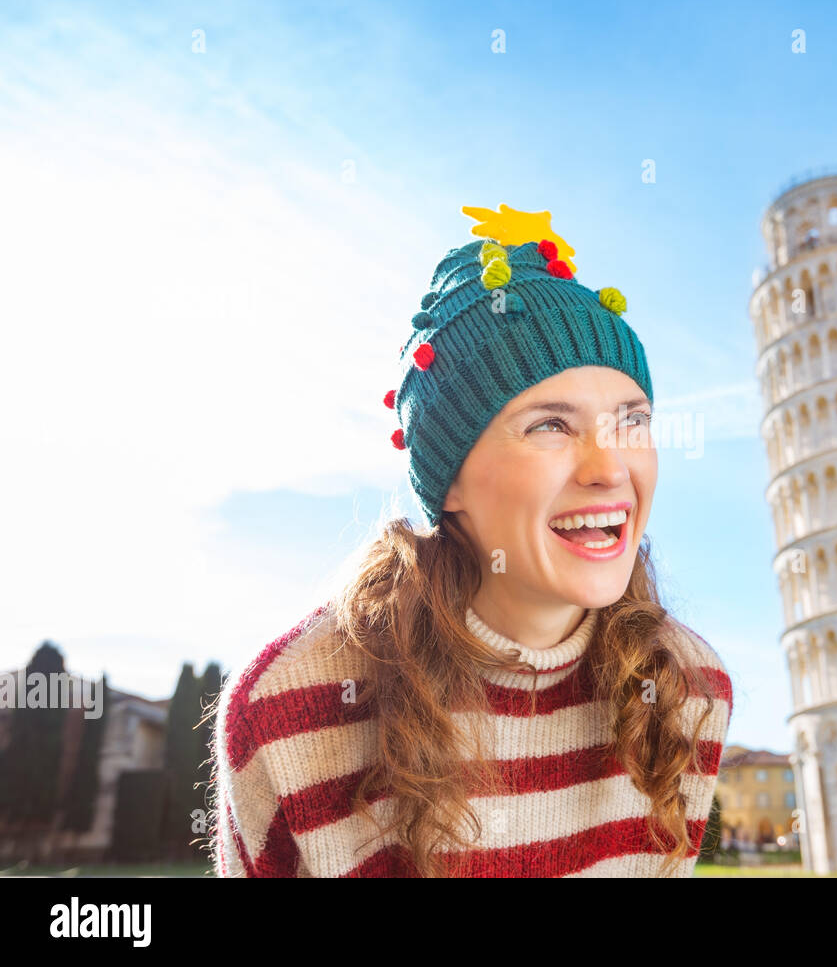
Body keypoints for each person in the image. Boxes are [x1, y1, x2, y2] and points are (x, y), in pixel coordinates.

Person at [206, 204, 734, 877]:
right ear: (449, 480)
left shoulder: (688, 689)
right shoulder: (288, 709)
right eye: (550, 425)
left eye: (632, 421)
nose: (610, 469)